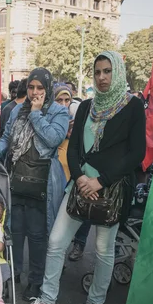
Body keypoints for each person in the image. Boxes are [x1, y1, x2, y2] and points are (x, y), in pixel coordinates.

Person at [18, 51, 146, 304]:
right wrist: (79, 178)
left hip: (110, 189)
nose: (102, 77)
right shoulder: (87, 106)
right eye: (98, 71)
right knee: (56, 242)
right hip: (78, 185)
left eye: (107, 71)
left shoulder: (132, 106)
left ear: (118, 73)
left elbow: (136, 152)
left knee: (103, 249)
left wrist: (101, 181)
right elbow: (74, 147)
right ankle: (47, 298)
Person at [0, 67, 69, 301]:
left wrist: (36, 113)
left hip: (43, 183)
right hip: (17, 178)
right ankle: (13, 274)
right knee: (15, 231)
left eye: (40, 88)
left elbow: (53, 139)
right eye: (31, 87)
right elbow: (7, 140)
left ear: (48, 88)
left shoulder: (59, 112)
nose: (34, 92)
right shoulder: (16, 111)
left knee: (38, 235)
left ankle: (36, 281)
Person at [54, 84, 92, 262]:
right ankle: (58, 258)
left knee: (82, 212)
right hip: (56, 175)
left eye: (66, 100)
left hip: (76, 175)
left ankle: (79, 243)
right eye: (59, 100)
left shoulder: (81, 116)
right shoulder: (51, 118)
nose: (63, 104)